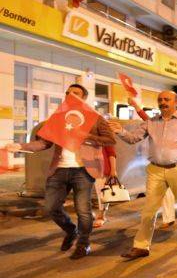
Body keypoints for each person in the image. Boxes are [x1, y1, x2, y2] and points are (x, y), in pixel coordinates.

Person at [4, 84, 116, 259]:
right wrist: (20, 146)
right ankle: (71, 231)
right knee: (51, 207)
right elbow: (43, 143)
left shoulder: (95, 118)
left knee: (83, 210)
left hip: (83, 170)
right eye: (68, 93)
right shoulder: (57, 118)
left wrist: (87, 136)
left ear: (84, 97)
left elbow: (109, 139)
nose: (71, 95)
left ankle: (83, 243)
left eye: (76, 93)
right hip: (59, 169)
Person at [110, 91, 177, 260]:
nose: (162, 102)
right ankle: (141, 246)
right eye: (160, 100)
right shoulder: (150, 122)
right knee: (148, 210)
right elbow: (133, 138)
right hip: (155, 170)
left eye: (166, 99)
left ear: (175, 102)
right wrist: (120, 131)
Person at [128, 98, 177, 227]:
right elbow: (147, 119)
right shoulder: (158, 124)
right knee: (167, 194)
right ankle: (168, 219)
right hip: (162, 167)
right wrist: (135, 106)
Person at [93, 145, 117, 228]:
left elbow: (111, 152)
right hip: (84, 166)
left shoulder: (104, 132)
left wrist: (113, 170)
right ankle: (89, 213)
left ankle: (101, 215)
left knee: (102, 192)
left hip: (101, 167)